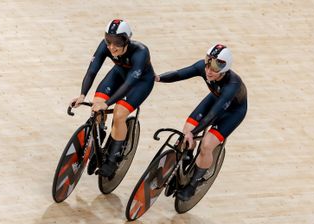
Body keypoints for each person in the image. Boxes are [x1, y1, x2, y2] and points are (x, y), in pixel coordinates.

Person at [155, 44, 247, 200]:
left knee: (206, 145)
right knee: (185, 132)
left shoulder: (233, 85)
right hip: (216, 99)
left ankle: (193, 184)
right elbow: (179, 74)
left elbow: (213, 114)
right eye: (207, 63)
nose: (209, 70)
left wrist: (194, 133)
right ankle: (187, 157)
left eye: (215, 67)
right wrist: (158, 78)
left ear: (225, 69)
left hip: (232, 112)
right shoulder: (204, 68)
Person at [71, 19, 155, 177]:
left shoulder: (141, 52)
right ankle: (99, 137)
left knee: (119, 113)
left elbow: (130, 83)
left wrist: (108, 103)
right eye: (108, 41)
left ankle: (113, 159)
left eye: (117, 42)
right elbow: (92, 71)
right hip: (119, 74)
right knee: (96, 105)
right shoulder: (105, 46)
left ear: (126, 41)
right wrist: (82, 95)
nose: (111, 47)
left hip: (140, 83)